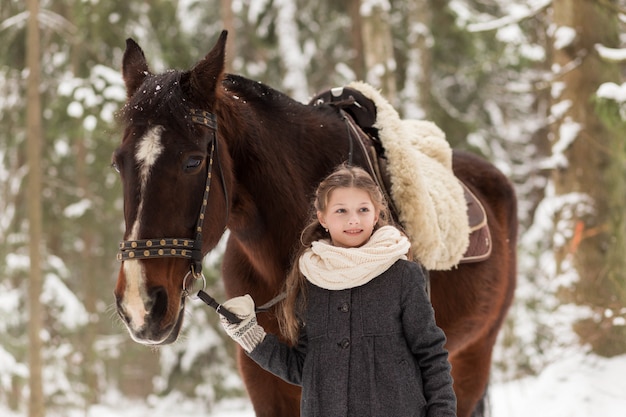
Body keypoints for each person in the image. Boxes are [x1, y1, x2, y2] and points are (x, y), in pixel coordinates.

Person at [219, 164, 457, 417]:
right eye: (341, 210)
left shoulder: (402, 276)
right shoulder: (310, 279)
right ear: (323, 217)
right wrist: (249, 334)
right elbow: (306, 369)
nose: (353, 219)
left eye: (363, 210)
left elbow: (431, 354)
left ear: (376, 215)